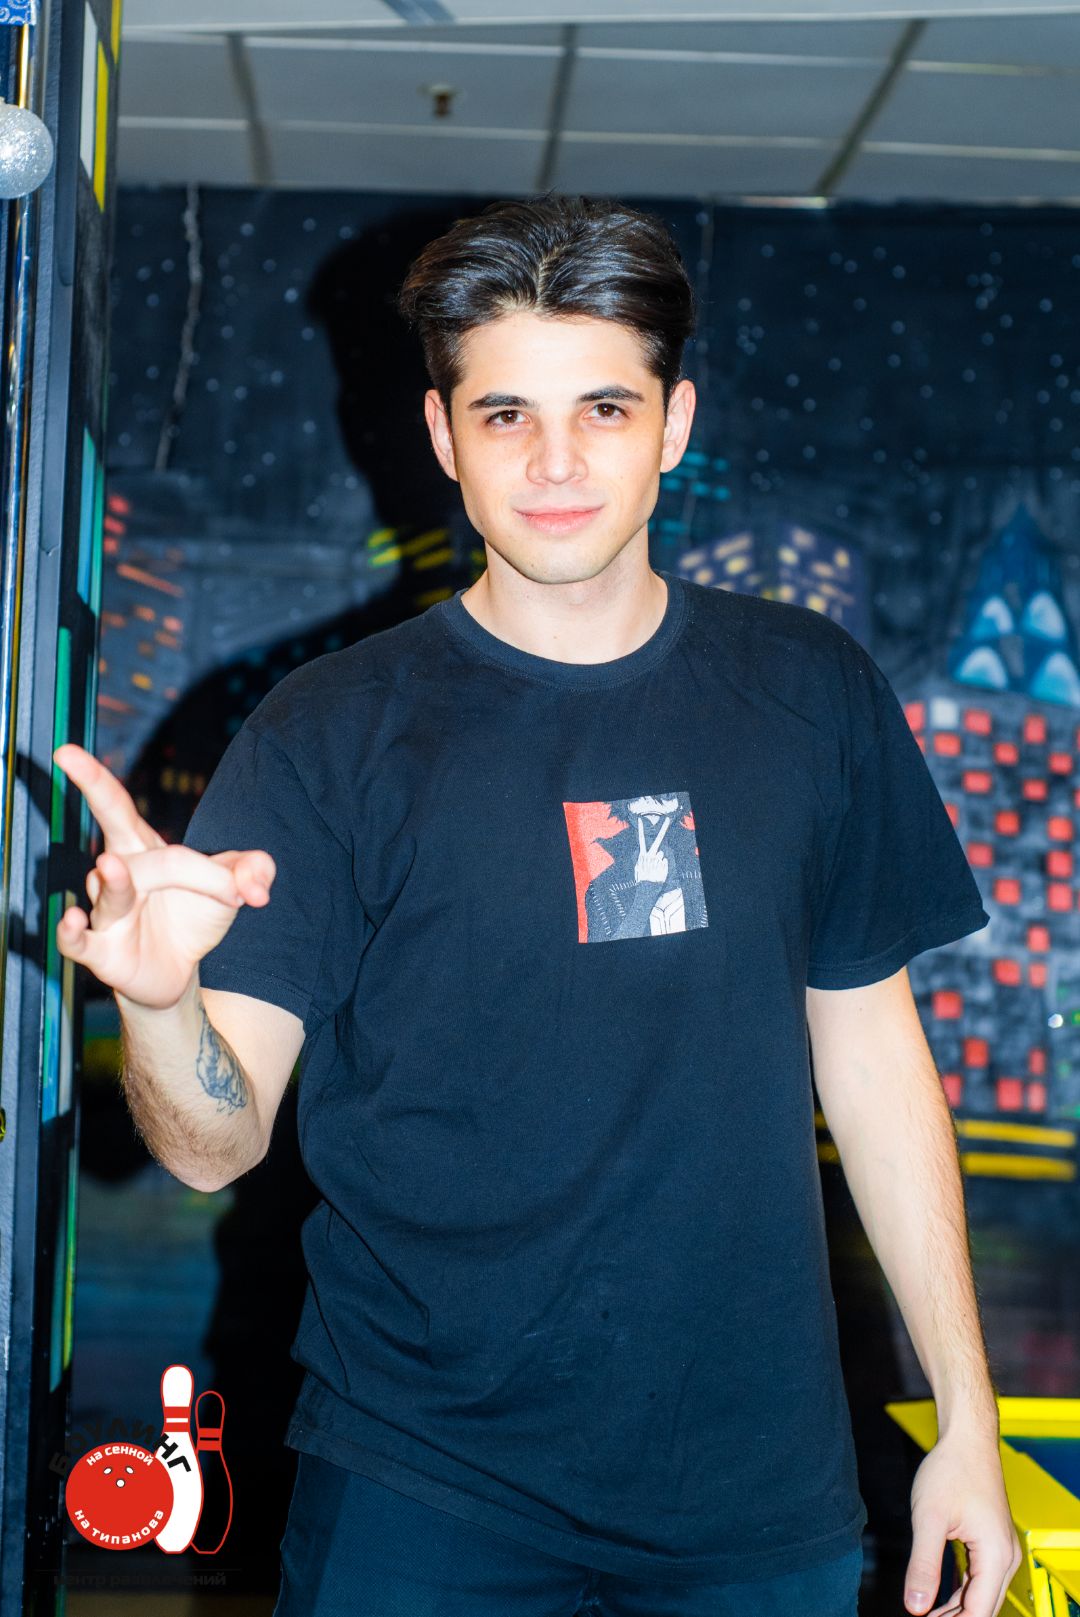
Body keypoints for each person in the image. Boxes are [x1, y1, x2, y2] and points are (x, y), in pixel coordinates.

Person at [54, 193, 1022, 1617]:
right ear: (444, 437)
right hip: (421, 1485)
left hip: (756, 1493)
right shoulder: (327, 733)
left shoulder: (810, 691)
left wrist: (967, 1420)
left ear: (675, 424)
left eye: (604, 410)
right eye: (505, 414)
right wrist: (158, 1002)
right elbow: (214, 1145)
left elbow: (875, 1063)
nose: (555, 461)